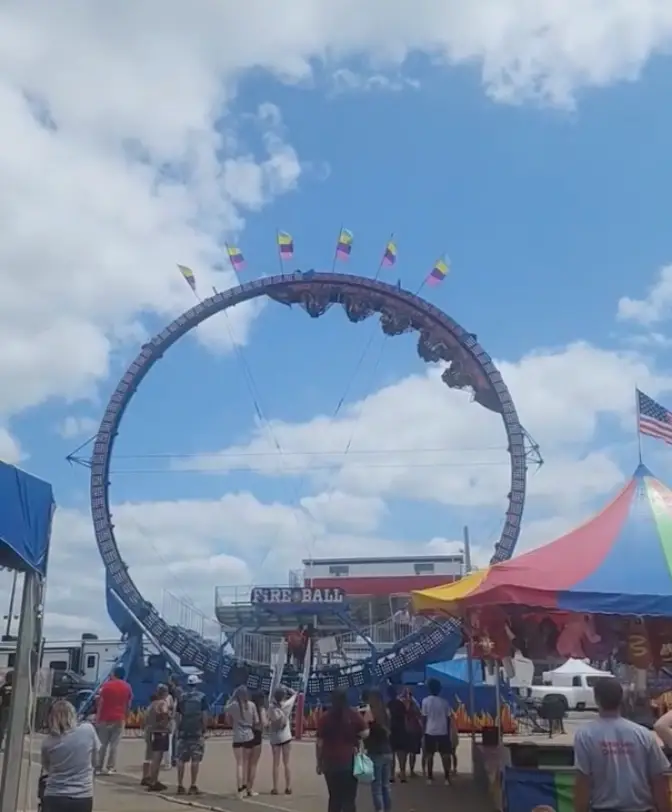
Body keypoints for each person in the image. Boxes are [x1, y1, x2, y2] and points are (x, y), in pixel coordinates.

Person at [575, 678, 671, 812]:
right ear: (621, 699)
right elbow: (658, 781)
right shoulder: (643, 734)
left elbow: (582, 781)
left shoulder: (585, 735)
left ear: (596, 699)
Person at [40, 699, 100, 812]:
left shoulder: (48, 742)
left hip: (54, 794)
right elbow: (95, 759)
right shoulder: (87, 730)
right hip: (82, 794)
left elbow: (47, 767)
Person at [316, 688, 368, 812]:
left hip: (330, 762)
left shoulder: (325, 718)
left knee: (334, 798)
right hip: (349, 761)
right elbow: (366, 732)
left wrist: (319, 762)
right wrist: (356, 736)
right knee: (349, 799)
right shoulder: (353, 714)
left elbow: (319, 744)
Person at [175, 674, 209, 796]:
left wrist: (179, 728)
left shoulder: (182, 697)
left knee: (181, 759)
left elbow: (177, 715)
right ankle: (193, 785)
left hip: (184, 731)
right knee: (195, 759)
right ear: (197, 684)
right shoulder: (202, 697)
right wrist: (204, 729)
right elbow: (204, 715)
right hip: (196, 731)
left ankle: (180, 785)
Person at [95, 665, 132, 774]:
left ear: (114, 674)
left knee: (102, 744)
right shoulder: (127, 687)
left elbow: (101, 702)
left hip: (105, 717)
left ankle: (98, 767)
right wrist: (126, 715)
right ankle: (110, 767)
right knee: (114, 744)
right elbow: (128, 704)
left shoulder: (106, 686)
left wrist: (98, 717)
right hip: (119, 718)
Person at [225, 685, 259, 797]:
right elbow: (256, 721)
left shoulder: (234, 705)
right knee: (246, 763)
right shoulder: (252, 705)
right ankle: (246, 786)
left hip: (238, 736)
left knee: (239, 764)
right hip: (249, 735)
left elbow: (225, 708)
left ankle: (240, 789)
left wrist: (231, 698)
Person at [364, 689, 393, 812]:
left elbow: (365, 732)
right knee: (386, 786)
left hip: (375, 752)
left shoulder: (370, 713)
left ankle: (379, 810)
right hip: (387, 751)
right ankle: (387, 809)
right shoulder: (386, 712)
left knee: (376, 787)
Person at [420, 678, 452, 785]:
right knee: (445, 755)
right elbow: (448, 719)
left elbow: (424, 718)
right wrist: (448, 732)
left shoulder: (425, 701)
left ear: (429, 689)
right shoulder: (445, 702)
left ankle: (429, 777)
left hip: (430, 731)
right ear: (440, 689)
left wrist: (423, 732)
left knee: (429, 755)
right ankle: (447, 778)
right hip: (443, 731)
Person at [268, 686, 296, 795]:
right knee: (287, 763)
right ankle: (288, 787)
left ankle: (275, 788)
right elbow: (295, 694)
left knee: (276, 763)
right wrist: (287, 688)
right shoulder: (287, 705)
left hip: (275, 737)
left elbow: (270, 719)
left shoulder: (271, 707)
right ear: (283, 696)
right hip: (286, 736)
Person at [144, 684, 172, 792]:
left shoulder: (152, 704)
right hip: (160, 732)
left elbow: (146, 718)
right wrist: (166, 722)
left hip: (152, 732)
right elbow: (165, 713)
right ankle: (154, 781)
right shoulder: (162, 703)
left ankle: (153, 779)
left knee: (153, 758)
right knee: (157, 758)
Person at [246, 691, 266, 797]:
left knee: (246, 763)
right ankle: (250, 788)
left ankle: (243, 787)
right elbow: (264, 722)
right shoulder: (261, 709)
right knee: (253, 764)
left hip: (248, 734)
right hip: (257, 735)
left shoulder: (248, 708)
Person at [400, 687, 423, 778]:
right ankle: (411, 771)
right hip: (413, 729)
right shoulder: (415, 703)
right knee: (412, 752)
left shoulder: (401, 702)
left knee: (404, 752)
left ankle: (403, 771)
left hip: (404, 729)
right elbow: (419, 714)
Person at [387, 686, 409, 782]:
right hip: (401, 729)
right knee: (402, 753)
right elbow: (405, 717)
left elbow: (387, 718)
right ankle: (403, 773)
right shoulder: (401, 704)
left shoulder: (388, 704)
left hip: (391, 730)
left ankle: (391, 775)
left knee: (391, 753)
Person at [0, 670, 13, 751]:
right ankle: (10, 746)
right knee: (10, 729)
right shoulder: (17, 687)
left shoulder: (3, 687)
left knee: (2, 728)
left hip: (4, 708)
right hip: (13, 709)